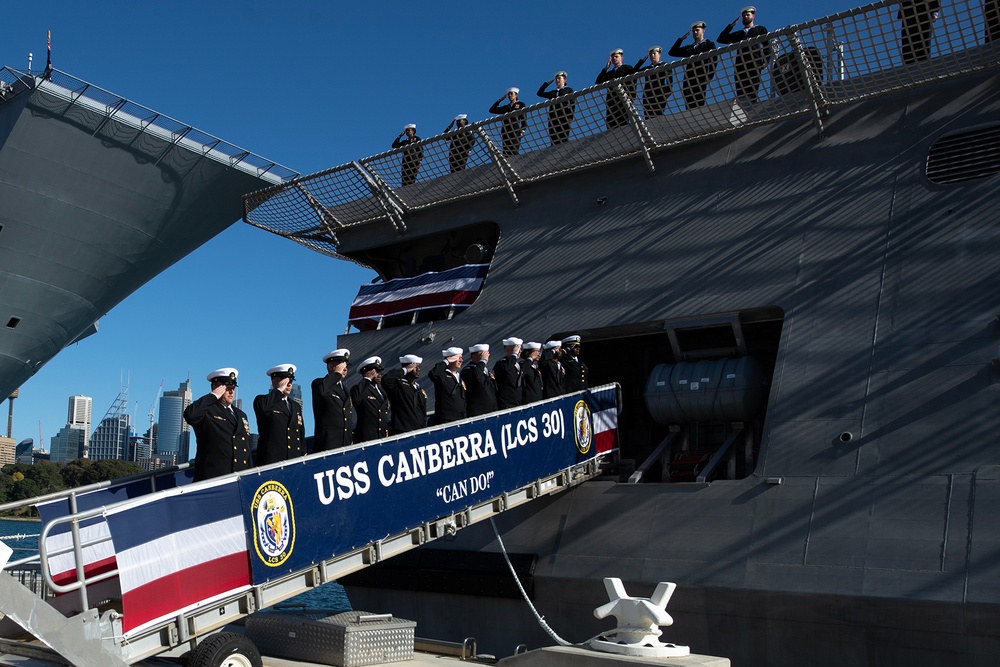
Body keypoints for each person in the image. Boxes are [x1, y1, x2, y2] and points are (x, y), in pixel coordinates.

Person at [184, 368, 252, 482]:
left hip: (239, 478)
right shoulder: (207, 411)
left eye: (233, 388)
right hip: (214, 479)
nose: (231, 392)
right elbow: (190, 415)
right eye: (227, 388)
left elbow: (246, 447)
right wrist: (213, 396)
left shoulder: (241, 415)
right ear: (216, 388)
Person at [253, 363, 305, 466]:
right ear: (274, 381)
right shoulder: (262, 400)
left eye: (290, 381)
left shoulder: (295, 406)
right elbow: (263, 408)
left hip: (294, 461)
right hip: (273, 462)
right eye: (285, 381)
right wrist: (279, 390)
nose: (289, 384)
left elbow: (301, 435)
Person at [717, 6, 772, 103]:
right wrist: (731, 26)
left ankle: (751, 110)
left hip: (754, 63)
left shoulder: (759, 29)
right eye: (744, 16)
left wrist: (766, 61)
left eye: (748, 15)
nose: (746, 17)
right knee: (741, 93)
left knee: (752, 91)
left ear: (753, 16)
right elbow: (721, 39)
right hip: (740, 65)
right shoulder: (739, 34)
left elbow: (767, 45)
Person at [312, 348, 355, 451]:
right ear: (331, 367)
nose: (345, 369)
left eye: (346, 366)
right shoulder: (319, 383)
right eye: (341, 366)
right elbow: (322, 392)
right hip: (328, 444)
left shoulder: (345, 390)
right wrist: (336, 374)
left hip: (345, 443)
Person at [669, 22, 718, 109]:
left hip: (701, 76)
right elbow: (672, 52)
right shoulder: (690, 48)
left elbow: (714, 60)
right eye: (693, 31)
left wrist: (710, 75)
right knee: (688, 102)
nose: (695, 32)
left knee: (699, 101)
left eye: (697, 30)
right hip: (689, 78)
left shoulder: (708, 44)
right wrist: (681, 40)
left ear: (703, 30)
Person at [382, 354, 427, 434]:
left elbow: (422, 411)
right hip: (403, 430)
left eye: (419, 367)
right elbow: (386, 380)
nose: (418, 370)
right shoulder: (398, 385)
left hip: (419, 429)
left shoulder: (418, 389)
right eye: (415, 367)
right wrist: (405, 370)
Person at [351, 356, 390, 442]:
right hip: (367, 437)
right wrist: (367, 379)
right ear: (368, 373)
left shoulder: (382, 392)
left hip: (382, 436)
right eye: (376, 372)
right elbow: (356, 399)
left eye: (380, 372)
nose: (380, 375)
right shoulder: (359, 389)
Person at [596, 48, 637, 129]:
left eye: (616, 56)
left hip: (623, 99)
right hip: (611, 102)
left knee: (623, 123)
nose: (614, 59)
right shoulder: (609, 74)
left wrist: (632, 96)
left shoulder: (627, 68)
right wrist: (605, 68)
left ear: (621, 57)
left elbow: (633, 82)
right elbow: (598, 82)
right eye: (613, 58)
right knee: (611, 124)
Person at [428, 347, 467, 424]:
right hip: (447, 419)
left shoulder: (459, 376)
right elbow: (433, 374)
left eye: (461, 358)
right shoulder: (442, 375)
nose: (461, 360)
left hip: (461, 417)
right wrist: (446, 361)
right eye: (458, 358)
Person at [536, 71, 575, 145]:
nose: (557, 80)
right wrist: (547, 84)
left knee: (563, 138)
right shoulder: (553, 93)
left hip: (564, 116)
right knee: (553, 139)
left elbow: (572, 103)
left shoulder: (568, 90)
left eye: (559, 78)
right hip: (553, 117)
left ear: (564, 79)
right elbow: (539, 93)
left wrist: (570, 116)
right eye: (556, 79)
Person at [634, 46, 673, 117]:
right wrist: (642, 61)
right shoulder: (647, 68)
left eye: (654, 53)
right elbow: (634, 71)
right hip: (647, 96)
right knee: (648, 118)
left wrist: (665, 94)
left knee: (659, 116)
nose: (652, 56)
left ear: (659, 55)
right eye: (651, 54)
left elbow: (670, 82)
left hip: (659, 94)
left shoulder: (664, 65)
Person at [489, 87, 528, 157]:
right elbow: (492, 110)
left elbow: (524, 118)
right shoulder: (506, 107)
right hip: (506, 130)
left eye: (511, 94)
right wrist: (500, 100)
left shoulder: (521, 104)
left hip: (515, 129)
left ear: (516, 95)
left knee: (514, 150)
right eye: (508, 94)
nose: (509, 96)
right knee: (506, 151)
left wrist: (523, 130)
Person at [462, 343, 498, 417]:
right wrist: (482, 361)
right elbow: (477, 377)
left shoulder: (486, 371)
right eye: (482, 354)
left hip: (491, 410)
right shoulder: (468, 371)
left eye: (486, 354)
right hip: (478, 413)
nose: (486, 357)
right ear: (473, 356)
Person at [493, 337, 524, 410]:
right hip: (507, 403)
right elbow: (507, 369)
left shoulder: (517, 365)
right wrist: (514, 355)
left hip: (517, 401)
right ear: (507, 350)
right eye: (517, 349)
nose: (519, 351)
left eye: (519, 349)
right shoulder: (501, 364)